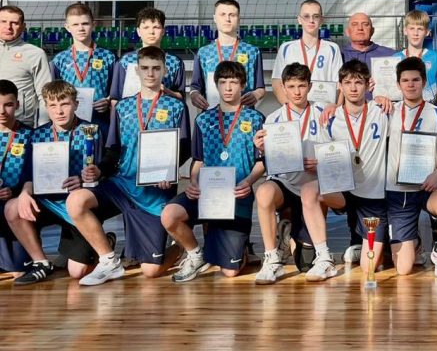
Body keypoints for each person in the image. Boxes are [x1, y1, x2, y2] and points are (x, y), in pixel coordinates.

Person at [67, 46, 191, 285]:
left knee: (151, 271)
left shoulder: (176, 107)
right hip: (121, 185)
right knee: (77, 201)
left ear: (165, 70)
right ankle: (108, 260)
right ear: (137, 71)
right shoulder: (122, 107)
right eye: (145, 68)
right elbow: (113, 148)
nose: (150, 74)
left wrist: (169, 172)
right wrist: (100, 169)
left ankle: (179, 248)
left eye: (156, 68)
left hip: (154, 192)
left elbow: (184, 148)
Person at [161, 61, 265, 283]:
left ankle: (241, 250)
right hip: (207, 195)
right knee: (170, 215)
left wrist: (248, 181)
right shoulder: (203, 119)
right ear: (216, 85)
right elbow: (198, 160)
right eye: (223, 82)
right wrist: (194, 182)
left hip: (237, 198)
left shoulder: (256, 119)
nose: (228, 87)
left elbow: (262, 161)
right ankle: (195, 254)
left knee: (230, 272)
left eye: (233, 82)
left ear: (243, 85)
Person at [300, 60, 390, 282]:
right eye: (347, 83)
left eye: (358, 82)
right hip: (343, 191)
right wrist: (320, 163)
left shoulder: (382, 111)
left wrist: (384, 97)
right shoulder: (330, 117)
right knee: (309, 191)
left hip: (373, 195)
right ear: (340, 86)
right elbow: (325, 155)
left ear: (368, 85)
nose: (353, 88)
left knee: (370, 268)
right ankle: (324, 258)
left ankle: (380, 244)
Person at [5, 81, 102, 282]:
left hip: (76, 207)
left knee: (77, 272)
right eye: (53, 105)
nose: (59, 111)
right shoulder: (37, 135)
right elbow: (29, 175)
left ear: (76, 104)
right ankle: (41, 262)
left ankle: (103, 239)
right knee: (13, 207)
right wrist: (24, 193)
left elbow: (100, 173)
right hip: (47, 202)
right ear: (46, 107)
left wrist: (84, 180)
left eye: (64, 104)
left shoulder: (91, 131)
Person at [253, 63, 327, 285]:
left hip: (312, 187)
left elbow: (337, 152)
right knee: (264, 192)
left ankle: (298, 240)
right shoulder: (273, 119)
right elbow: (270, 162)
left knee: (305, 265)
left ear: (310, 86)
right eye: (291, 86)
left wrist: (321, 163)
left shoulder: (324, 113)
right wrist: (262, 149)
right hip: (285, 184)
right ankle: (272, 258)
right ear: (283, 87)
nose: (297, 92)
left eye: (301, 86)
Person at [384, 57, 437, 278]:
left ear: (424, 82)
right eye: (405, 80)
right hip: (398, 191)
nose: (410, 84)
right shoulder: (388, 112)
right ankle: (414, 243)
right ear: (398, 84)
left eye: (415, 80)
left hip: (427, 185)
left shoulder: (436, 114)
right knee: (404, 269)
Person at [189, 0, 265, 111]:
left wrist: (256, 94)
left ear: (239, 19)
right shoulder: (203, 52)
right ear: (215, 18)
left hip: (244, 114)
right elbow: (195, 86)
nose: (227, 19)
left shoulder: (252, 51)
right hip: (212, 116)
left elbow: (260, 87)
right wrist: (194, 94)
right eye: (222, 14)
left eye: (232, 15)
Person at [51, 2, 116, 134]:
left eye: (85, 23)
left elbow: (116, 90)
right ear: (67, 27)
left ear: (93, 24)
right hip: (69, 121)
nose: (80, 28)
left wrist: (108, 101)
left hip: (99, 119)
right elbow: (54, 92)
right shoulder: (59, 59)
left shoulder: (108, 56)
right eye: (75, 24)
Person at [271, 0, 342, 106]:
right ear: (299, 19)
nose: (311, 20)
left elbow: (340, 84)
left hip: (323, 110)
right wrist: (288, 107)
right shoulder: (286, 48)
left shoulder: (332, 48)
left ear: (321, 20)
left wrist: (336, 108)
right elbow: (277, 82)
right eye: (306, 16)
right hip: (295, 109)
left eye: (316, 16)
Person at [110, 8, 185, 104]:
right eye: (146, 27)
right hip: (131, 111)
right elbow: (115, 98)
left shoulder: (175, 62)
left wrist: (166, 91)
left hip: (163, 111)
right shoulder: (125, 61)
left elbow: (181, 97)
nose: (151, 32)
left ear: (163, 31)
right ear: (138, 31)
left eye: (156, 27)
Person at [0, 80, 33, 279]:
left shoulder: (30, 135)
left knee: (18, 271)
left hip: (15, 202)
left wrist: (18, 191)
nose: (2, 111)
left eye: (8, 105)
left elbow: (34, 174)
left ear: (18, 105)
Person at [0, 5, 51, 128]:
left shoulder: (35, 54)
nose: (8, 27)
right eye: (3, 21)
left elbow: (44, 94)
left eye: (14, 23)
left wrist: (43, 126)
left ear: (23, 27)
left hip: (21, 125)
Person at [393, 10, 437, 110]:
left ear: (427, 32)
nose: (415, 33)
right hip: (403, 111)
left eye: (420, 29)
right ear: (405, 31)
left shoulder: (435, 57)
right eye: (412, 28)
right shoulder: (395, 58)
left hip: (429, 110)